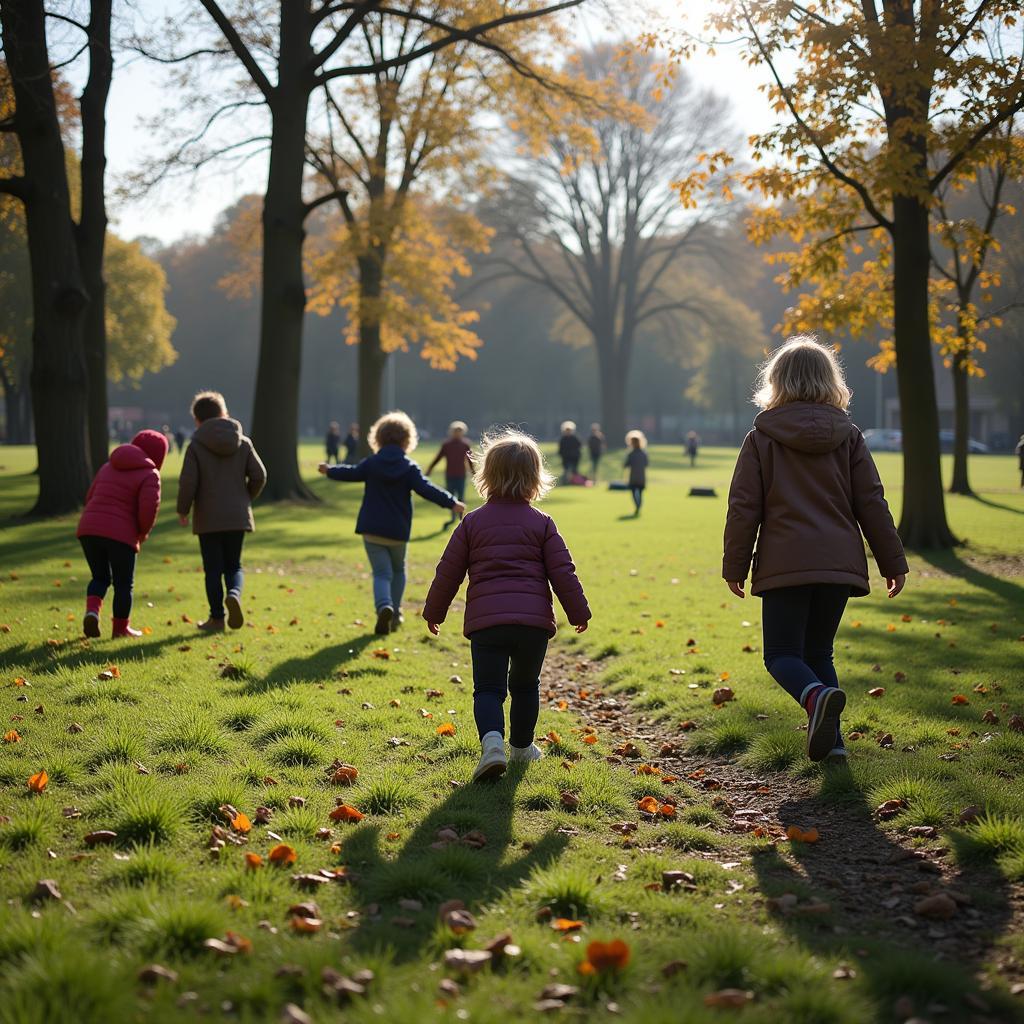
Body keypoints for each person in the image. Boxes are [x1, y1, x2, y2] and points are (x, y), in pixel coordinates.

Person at [722, 335, 908, 766]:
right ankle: (834, 745)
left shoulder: (761, 438)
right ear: (831, 381)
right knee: (819, 652)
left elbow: (744, 508)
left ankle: (817, 696)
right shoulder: (850, 437)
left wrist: (735, 565)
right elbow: (872, 503)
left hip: (786, 564)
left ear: (776, 382)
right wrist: (891, 561)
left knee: (782, 655)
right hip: (839, 565)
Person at [423, 430, 591, 782]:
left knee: (488, 688)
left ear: (486, 476)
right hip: (533, 625)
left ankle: (493, 744)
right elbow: (563, 573)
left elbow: (448, 571)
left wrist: (434, 611)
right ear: (535, 478)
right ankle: (522, 747)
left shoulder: (472, 523)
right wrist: (578, 612)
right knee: (526, 686)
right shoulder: (543, 523)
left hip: (488, 624)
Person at [319, 411, 465, 635]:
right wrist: (452, 502)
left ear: (378, 438)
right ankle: (395, 612)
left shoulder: (372, 463)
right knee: (398, 570)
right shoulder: (409, 467)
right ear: (408, 439)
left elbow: (352, 473)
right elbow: (427, 489)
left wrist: (330, 470)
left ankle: (383, 606)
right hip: (398, 530)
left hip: (371, 528)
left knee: (381, 573)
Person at [177, 391, 267, 632]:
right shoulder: (243, 442)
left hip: (208, 516)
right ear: (224, 413)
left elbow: (188, 482)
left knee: (213, 569)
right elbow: (259, 475)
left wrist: (183, 510)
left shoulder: (195, 445)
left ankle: (217, 618)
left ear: (197, 420)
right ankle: (235, 594)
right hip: (237, 514)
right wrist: (246, 497)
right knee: (234, 566)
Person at [77, 429, 168, 638]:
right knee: (123, 584)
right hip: (121, 535)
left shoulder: (109, 466)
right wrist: (142, 533)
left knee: (99, 577)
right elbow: (148, 510)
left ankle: (92, 611)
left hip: (89, 528)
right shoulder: (150, 473)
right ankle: (120, 629)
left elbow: (90, 496)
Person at [624, 430, 648, 515]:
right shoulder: (644, 453)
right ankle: (639, 505)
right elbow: (646, 464)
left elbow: (626, 464)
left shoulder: (631, 454)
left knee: (634, 492)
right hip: (641, 477)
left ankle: (637, 505)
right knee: (640, 493)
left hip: (633, 477)